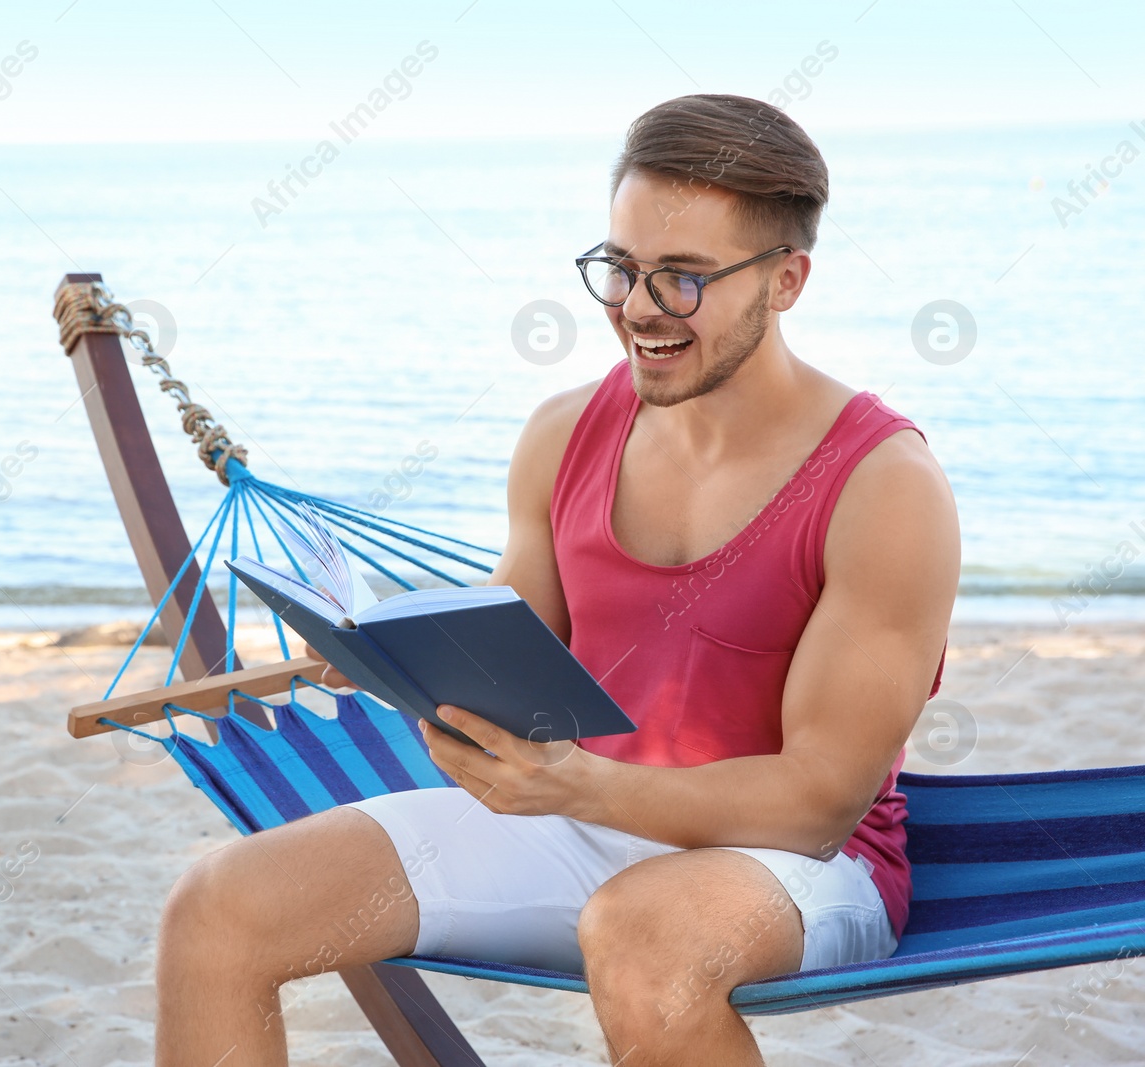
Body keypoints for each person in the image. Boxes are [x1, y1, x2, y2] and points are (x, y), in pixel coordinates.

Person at [154, 93, 960, 1066]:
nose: (638, 308)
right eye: (619, 268)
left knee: (642, 934)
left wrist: (580, 783)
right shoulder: (561, 434)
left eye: (685, 278)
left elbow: (818, 798)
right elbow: (514, 650)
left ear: (786, 279)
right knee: (219, 905)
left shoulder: (883, 487)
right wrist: (396, 658)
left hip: (800, 866)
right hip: (583, 820)